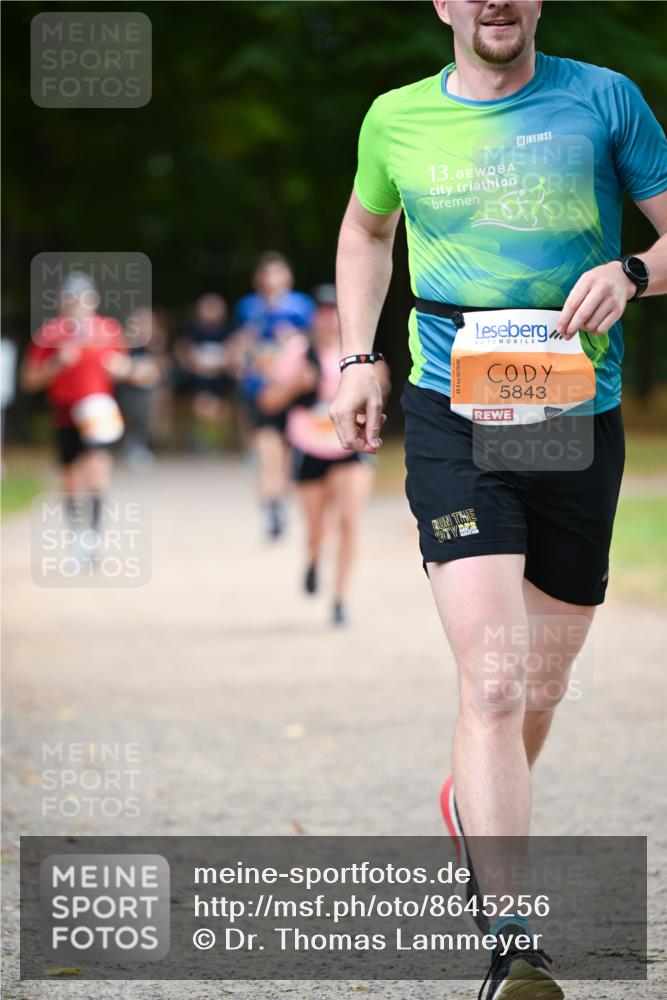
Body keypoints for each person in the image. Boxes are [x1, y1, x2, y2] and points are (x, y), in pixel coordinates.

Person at [330, 2, 667, 997]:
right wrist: (357, 354)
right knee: (491, 679)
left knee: (540, 685)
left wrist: (635, 270)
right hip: (451, 410)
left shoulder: (604, 99)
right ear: (441, 2)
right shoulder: (395, 117)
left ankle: (469, 804)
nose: (494, 1)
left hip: (572, 415)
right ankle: (510, 938)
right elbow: (364, 228)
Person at [258, 284, 389, 625]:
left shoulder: (359, 351)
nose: (329, 317)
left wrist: (377, 385)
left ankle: (340, 599)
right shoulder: (298, 352)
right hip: (309, 446)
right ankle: (314, 558)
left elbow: (381, 388)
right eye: (323, 310)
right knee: (316, 529)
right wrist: (296, 386)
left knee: (349, 521)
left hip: (350, 447)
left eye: (335, 310)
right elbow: (268, 401)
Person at [21, 272, 130, 557]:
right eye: (71, 300)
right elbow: (29, 380)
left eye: (83, 299)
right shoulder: (50, 333)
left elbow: (124, 368)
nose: (78, 305)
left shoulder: (109, 330)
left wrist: (121, 369)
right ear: (62, 303)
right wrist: (57, 363)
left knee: (98, 469)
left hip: (98, 413)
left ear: (94, 301)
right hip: (66, 413)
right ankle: (77, 535)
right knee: (71, 478)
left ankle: (94, 536)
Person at [232, 252, 315, 539]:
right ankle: (272, 510)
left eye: (277, 273)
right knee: (267, 453)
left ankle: (277, 497)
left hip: (291, 391)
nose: (271, 280)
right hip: (258, 390)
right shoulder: (247, 308)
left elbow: (312, 344)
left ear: (287, 277)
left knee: (287, 456)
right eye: (266, 274)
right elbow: (239, 347)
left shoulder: (302, 307)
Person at [173, 292, 236, 454]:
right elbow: (182, 350)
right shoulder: (191, 328)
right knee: (202, 404)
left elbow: (234, 352)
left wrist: (224, 363)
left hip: (221, 376)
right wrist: (192, 363)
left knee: (222, 408)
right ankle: (204, 441)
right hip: (197, 377)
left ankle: (217, 441)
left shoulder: (227, 330)